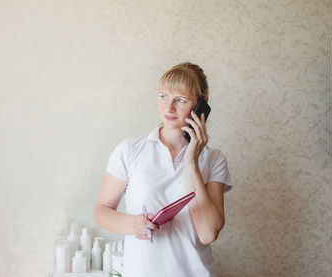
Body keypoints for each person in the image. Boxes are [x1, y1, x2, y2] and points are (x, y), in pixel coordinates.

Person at [94, 62, 232, 277]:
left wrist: (191, 162)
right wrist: (133, 224)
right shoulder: (130, 150)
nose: (169, 108)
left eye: (181, 100)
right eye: (163, 96)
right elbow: (102, 211)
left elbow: (208, 234)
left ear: (201, 104)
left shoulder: (214, 159)